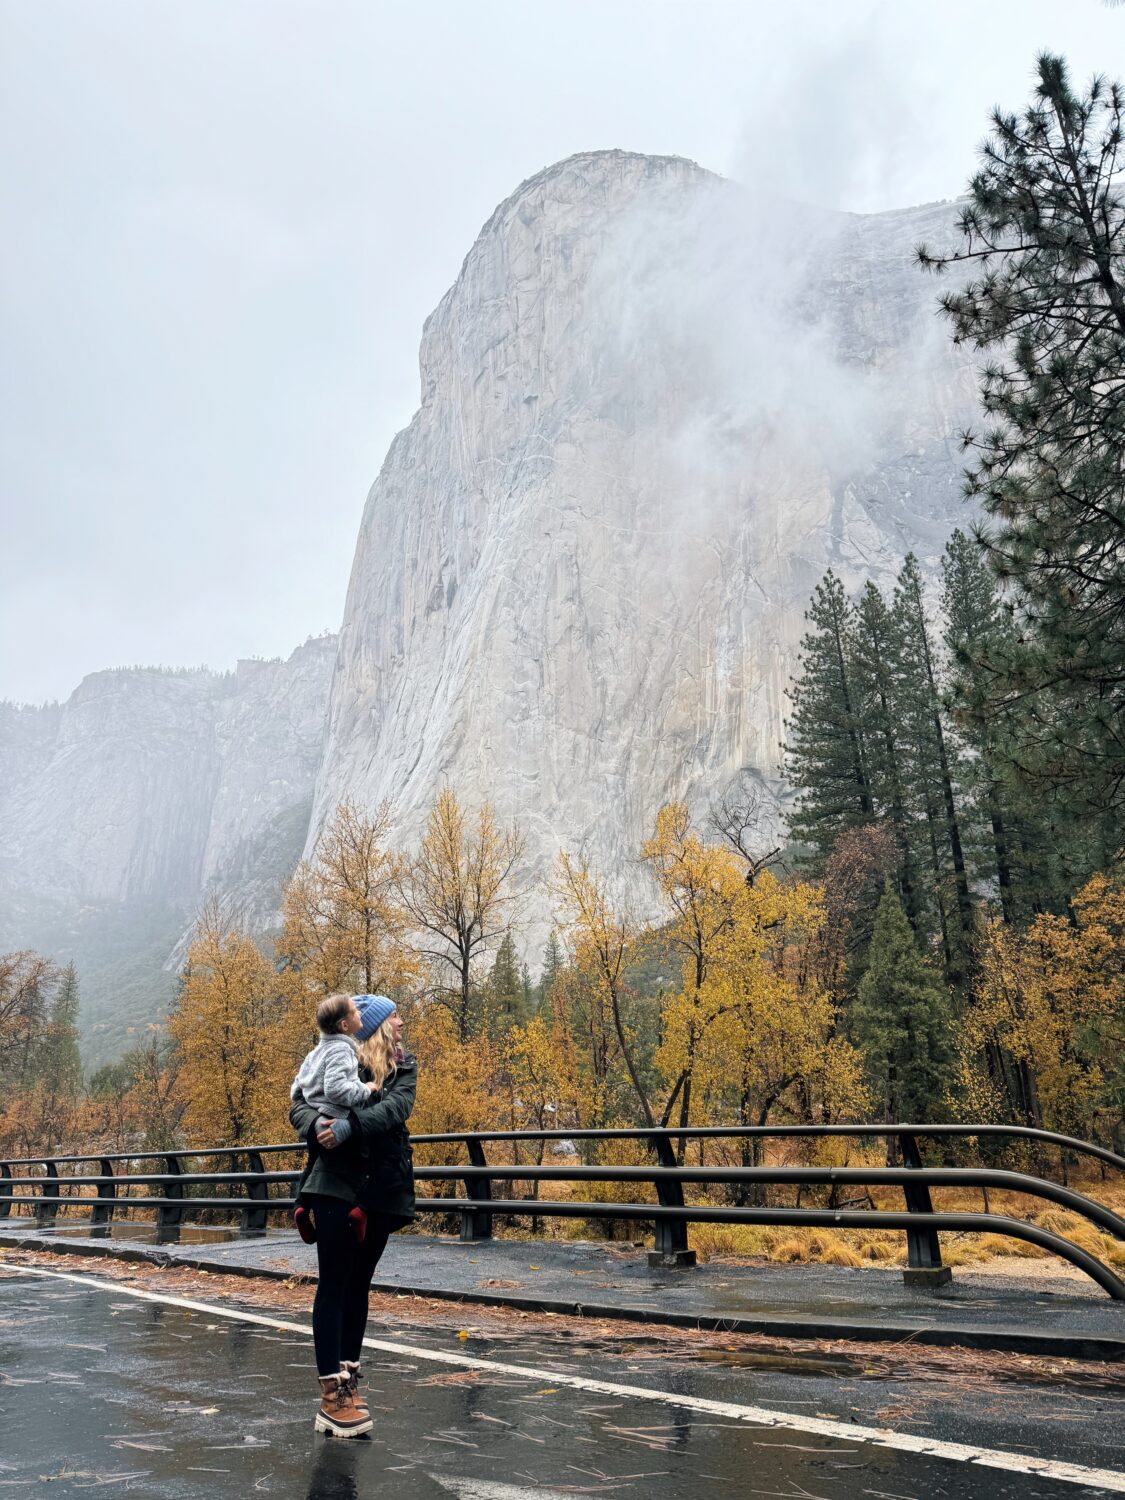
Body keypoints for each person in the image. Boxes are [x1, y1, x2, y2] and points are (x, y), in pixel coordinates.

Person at [289, 996, 417, 1439]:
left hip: (378, 1189)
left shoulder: (403, 1066)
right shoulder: (336, 1057)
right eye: (395, 1016)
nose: (402, 1023)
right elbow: (298, 1102)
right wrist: (319, 1126)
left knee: (359, 1283)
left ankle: (348, 1380)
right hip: (336, 1180)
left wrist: (351, 1126)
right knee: (335, 1282)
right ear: (377, 1025)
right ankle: (331, 1396)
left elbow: (395, 1109)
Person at [289, 993, 390, 1245]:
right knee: (371, 1161)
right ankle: (361, 1211)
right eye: (356, 1012)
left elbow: (297, 1086)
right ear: (344, 1025)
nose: (360, 1015)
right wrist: (365, 1090)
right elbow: (336, 1089)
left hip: (316, 1118)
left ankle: (301, 1205)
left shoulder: (317, 1051)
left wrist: (309, 1105)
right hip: (334, 1117)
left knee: (313, 1161)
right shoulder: (343, 1050)